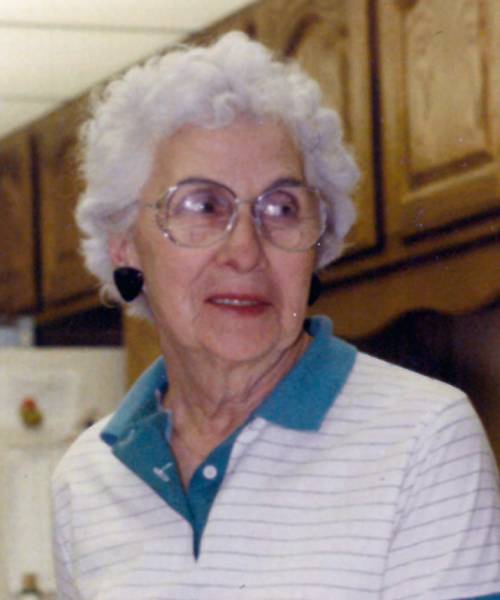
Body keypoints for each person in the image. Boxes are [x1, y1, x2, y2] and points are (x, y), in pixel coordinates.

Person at [51, 32, 500, 599]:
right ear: (125, 245)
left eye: (282, 208)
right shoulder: (87, 476)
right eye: (202, 205)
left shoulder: (423, 437)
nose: (245, 250)